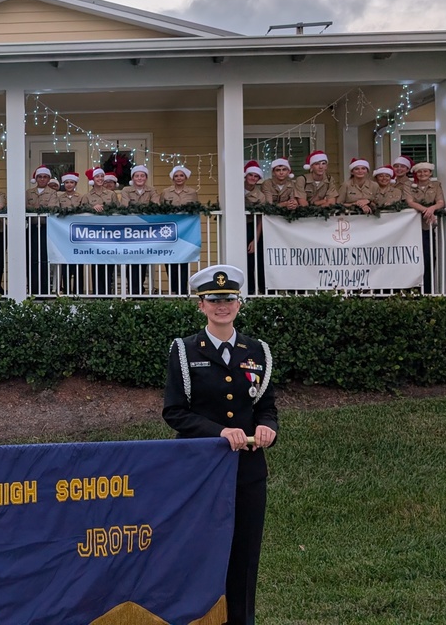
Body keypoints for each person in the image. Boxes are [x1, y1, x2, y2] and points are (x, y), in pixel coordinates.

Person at [163, 265, 278, 625]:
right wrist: (218, 432)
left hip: (247, 471)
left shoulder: (257, 350)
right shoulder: (184, 350)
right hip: (200, 471)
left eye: (228, 299)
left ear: (239, 303)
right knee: (199, 553)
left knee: (244, 557)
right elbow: (175, 412)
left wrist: (267, 429)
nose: (222, 305)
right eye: (214, 299)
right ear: (201, 305)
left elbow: (266, 407)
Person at [406, 162, 446, 293]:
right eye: (420, 172)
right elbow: (410, 202)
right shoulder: (410, 186)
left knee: (428, 257)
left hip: (427, 227)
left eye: (425, 172)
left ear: (430, 173)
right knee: (412, 258)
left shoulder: (436, 185)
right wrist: (426, 211)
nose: (422, 174)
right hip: (411, 227)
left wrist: (432, 208)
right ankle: (412, 289)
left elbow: (440, 202)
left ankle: (428, 290)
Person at [160, 164, 199, 295]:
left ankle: (182, 290)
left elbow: (195, 211)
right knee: (170, 259)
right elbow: (160, 210)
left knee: (183, 259)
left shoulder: (192, 192)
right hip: (169, 231)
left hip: (186, 232)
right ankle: (173, 289)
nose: (179, 178)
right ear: (172, 178)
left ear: (186, 177)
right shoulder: (166, 192)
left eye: (181, 175)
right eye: (176, 176)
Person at [121, 165, 157, 295]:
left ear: (146, 177)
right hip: (130, 230)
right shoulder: (126, 190)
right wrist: (144, 208)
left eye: (142, 175)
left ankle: (140, 289)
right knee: (130, 260)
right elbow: (124, 206)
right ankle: (132, 289)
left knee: (143, 260)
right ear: (133, 178)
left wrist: (136, 207)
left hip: (146, 231)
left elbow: (155, 206)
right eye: (137, 176)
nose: (140, 178)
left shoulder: (152, 190)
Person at [26, 165, 59, 295]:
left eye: (45, 177)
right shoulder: (29, 193)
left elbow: (52, 208)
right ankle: (33, 289)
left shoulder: (52, 193)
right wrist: (38, 208)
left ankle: (44, 290)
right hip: (31, 228)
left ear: (48, 179)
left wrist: (34, 208)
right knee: (31, 258)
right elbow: (24, 206)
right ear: (36, 178)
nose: (42, 179)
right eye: (40, 177)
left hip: (46, 229)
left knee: (44, 258)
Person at [85, 167, 118, 295]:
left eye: (101, 176)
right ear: (92, 179)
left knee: (109, 262)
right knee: (96, 263)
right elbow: (81, 208)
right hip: (94, 234)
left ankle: (108, 293)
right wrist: (92, 207)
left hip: (109, 233)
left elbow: (118, 209)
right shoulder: (87, 196)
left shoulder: (111, 194)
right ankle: (97, 293)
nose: (100, 179)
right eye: (97, 177)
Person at [56, 172, 85, 294]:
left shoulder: (81, 197)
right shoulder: (59, 198)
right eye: (67, 182)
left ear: (75, 183)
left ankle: (78, 291)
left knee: (78, 262)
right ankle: (67, 290)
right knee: (65, 262)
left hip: (78, 233)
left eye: (71, 182)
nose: (69, 185)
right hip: (64, 233)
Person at [243, 161, 266, 296]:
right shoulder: (234, 189)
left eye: (255, 176)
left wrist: (255, 239)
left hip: (251, 227)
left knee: (253, 261)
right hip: (236, 227)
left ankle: (253, 290)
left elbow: (260, 218)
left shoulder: (260, 195)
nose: (252, 178)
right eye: (250, 175)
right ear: (245, 176)